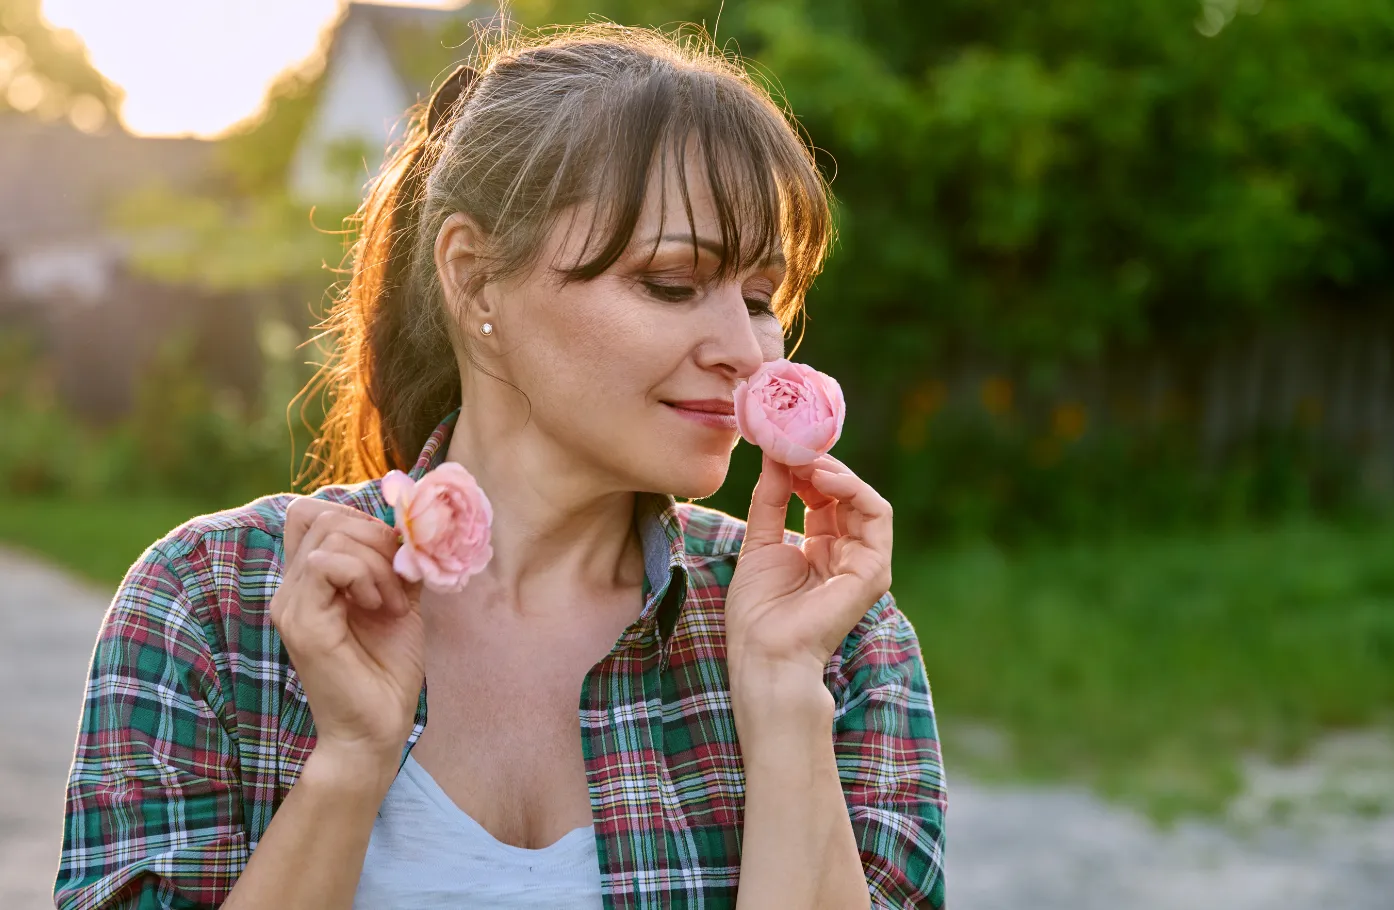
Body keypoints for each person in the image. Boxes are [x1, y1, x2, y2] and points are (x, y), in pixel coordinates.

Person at [54, 24, 946, 910]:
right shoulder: (211, 605)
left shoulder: (837, 639)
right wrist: (351, 764)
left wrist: (786, 703)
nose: (748, 353)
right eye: (673, 284)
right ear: (476, 279)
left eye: (759, 299)